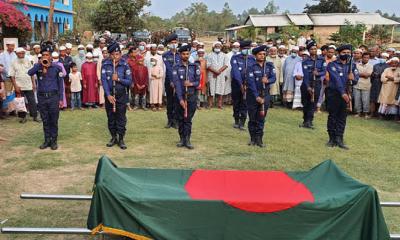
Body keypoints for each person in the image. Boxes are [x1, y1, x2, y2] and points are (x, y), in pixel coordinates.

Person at [28, 43, 64, 150]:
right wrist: (40, 65)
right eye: (43, 55)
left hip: (53, 97)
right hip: (42, 97)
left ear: (51, 57)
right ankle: (46, 140)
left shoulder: (57, 68)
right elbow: (29, 73)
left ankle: (54, 140)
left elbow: (60, 85)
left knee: (53, 119)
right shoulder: (38, 67)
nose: (45, 57)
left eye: (47, 55)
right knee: (45, 119)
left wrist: (61, 99)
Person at [325, 44, 359, 150]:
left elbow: (356, 79)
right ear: (339, 54)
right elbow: (336, 80)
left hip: (346, 94)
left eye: (348, 53)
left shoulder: (352, 65)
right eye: (344, 53)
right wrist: (342, 93)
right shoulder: (332, 65)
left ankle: (339, 138)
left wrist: (352, 79)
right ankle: (331, 138)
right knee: (333, 116)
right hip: (334, 94)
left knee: (342, 117)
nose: (346, 55)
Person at [101, 42, 132, 150]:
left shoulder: (125, 65)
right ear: (110, 55)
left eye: (118, 54)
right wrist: (108, 95)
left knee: (121, 117)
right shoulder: (105, 64)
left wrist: (118, 79)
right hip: (109, 95)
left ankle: (121, 138)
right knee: (111, 117)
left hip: (121, 95)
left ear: (121, 54)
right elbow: (104, 81)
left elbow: (129, 82)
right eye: (113, 54)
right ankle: (113, 137)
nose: (116, 56)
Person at [246, 45, 276, 148]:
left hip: (265, 95)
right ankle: (252, 138)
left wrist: (268, 80)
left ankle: (259, 139)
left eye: (264, 54)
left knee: (261, 118)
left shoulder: (269, 66)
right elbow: (250, 83)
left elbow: (274, 78)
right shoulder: (251, 67)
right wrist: (256, 96)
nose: (262, 56)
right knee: (252, 118)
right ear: (255, 55)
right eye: (260, 54)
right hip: (253, 95)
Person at [173, 44, 200, 150]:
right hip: (180, 97)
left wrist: (191, 84)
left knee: (188, 119)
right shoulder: (176, 67)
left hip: (192, 96)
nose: (186, 56)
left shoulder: (194, 66)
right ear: (180, 55)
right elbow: (177, 84)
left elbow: (198, 82)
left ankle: (187, 139)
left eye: (187, 54)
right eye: (183, 54)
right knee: (180, 119)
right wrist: (180, 100)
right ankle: (181, 139)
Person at [300, 41, 326, 129]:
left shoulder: (322, 60)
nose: (313, 50)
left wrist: (317, 73)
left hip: (317, 83)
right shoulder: (305, 61)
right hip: (306, 83)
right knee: (305, 102)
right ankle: (305, 120)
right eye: (311, 49)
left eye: (315, 49)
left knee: (313, 102)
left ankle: (309, 121)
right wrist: (308, 87)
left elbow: (324, 71)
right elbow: (305, 75)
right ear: (308, 50)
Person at [230, 40, 256, 130]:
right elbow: (236, 72)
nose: (247, 50)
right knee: (236, 102)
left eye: (248, 48)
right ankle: (236, 120)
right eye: (245, 49)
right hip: (237, 83)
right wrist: (241, 84)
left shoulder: (252, 58)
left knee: (245, 102)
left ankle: (242, 122)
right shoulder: (235, 58)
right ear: (241, 49)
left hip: (248, 84)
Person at [10, 47, 39, 123]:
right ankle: (23, 117)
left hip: (28, 84)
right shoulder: (13, 62)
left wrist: (33, 84)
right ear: (16, 54)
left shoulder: (28, 60)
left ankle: (35, 116)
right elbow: (12, 76)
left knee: (32, 101)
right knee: (20, 102)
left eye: (23, 53)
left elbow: (32, 73)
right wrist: (15, 86)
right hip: (19, 86)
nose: (22, 54)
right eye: (20, 53)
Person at [163, 33, 181, 128]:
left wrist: (177, 81)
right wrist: (171, 81)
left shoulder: (180, 54)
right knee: (170, 101)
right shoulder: (165, 55)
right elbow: (169, 69)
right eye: (172, 42)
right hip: (169, 81)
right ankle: (170, 120)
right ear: (169, 44)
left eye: (175, 42)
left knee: (177, 101)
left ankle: (176, 120)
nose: (174, 44)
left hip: (179, 82)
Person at [206, 41, 228, 109]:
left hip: (221, 74)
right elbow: (208, 66)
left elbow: (226, 65)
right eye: (216, 46)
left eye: (219, 46)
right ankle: (210, 104)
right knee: (211, 89)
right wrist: (215, 72)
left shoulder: (224, 55)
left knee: (220, 89)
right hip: (212, 74)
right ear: (213, 47)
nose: (217, 47)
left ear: (221, 47)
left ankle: (219, 104)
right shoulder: (209, 55)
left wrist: (218, 72)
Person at [370, 53, 389, 117]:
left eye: (384, 57)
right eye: (381, 57)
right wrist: (373, 74)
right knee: (372, 98)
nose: (382, 59)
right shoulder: (375, 65)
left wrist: (380, 75)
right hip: (374, 83)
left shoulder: (388, 66)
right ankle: (372, 113)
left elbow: (387, 76)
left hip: (383, 84)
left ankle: (379, 114)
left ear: (387, 58)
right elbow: (371, 74)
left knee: (380, 99)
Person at [354, 52, 373, 118]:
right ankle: (358, 113)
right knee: (357, 100)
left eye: (367, 58)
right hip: (357, 84)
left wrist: (359, 74)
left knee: (365, 100)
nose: (366, 59)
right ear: (362, 57)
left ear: (369, 59)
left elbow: (367, 75)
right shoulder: (357, 64)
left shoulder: (370, 66)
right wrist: (362, 74)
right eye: (364, 57)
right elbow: (354, 73)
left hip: (366, 85)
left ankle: (366, 114)